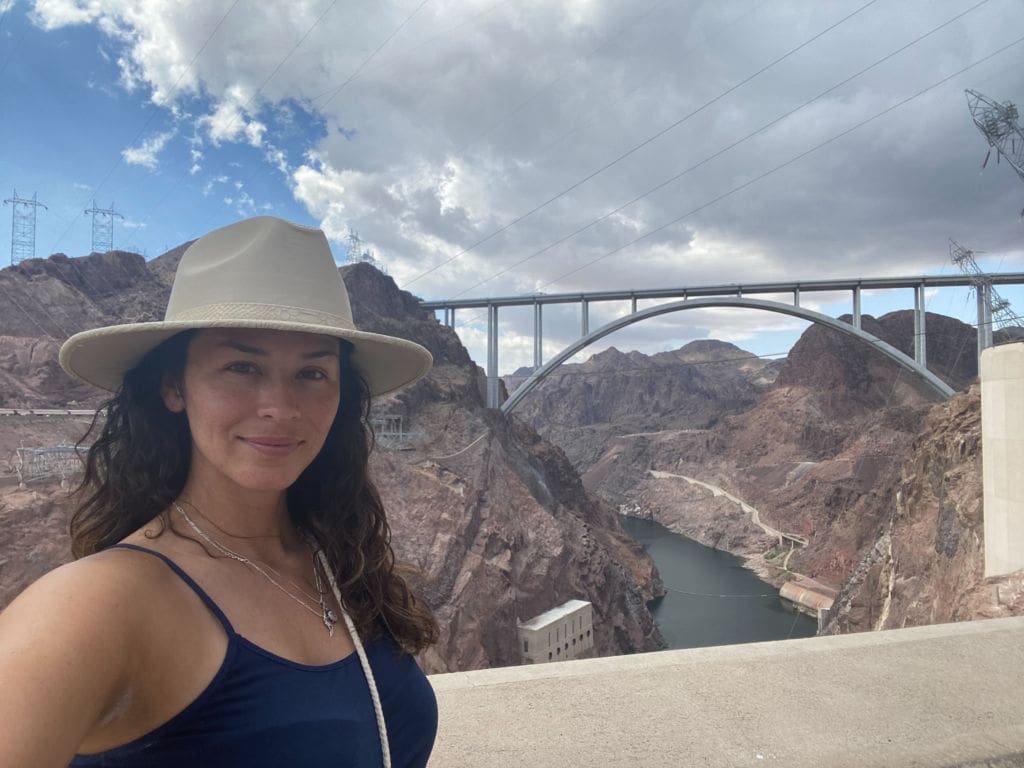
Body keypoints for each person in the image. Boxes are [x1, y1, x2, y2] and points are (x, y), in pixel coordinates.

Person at [0, 216, 439, 767]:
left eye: (312, 373)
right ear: (173, 386)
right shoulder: (96, 604)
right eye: (241, 366)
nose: (280, 406)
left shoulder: (339, 560)